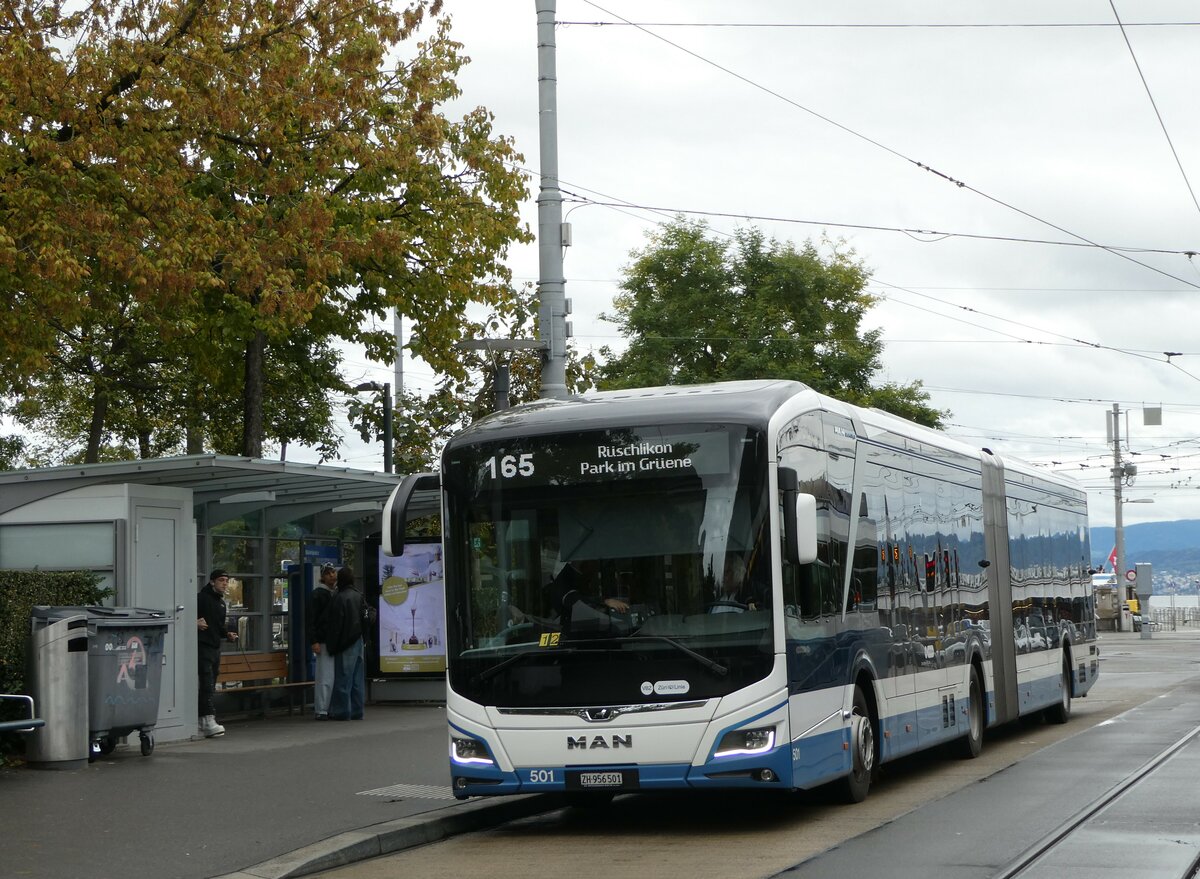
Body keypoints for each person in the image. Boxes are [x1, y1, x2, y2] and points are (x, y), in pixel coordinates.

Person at [197, 569, 238, 737]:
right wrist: (195, 623)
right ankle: (207, 719)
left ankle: (204, 719)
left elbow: (218, 625)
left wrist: (226, 634)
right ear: (212, 581)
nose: (225, 584)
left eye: (227, 581)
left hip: (214, 647)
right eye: (221, 580)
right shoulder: (201, 598)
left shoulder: (221, 603)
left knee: (211, 683)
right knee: (206, 683)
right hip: (203, 646)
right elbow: (187, 617)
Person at [324, 566, 366, 721]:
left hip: (345, 642)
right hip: (358, 640)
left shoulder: (339, 597)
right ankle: (357, 710)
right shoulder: (358, 595)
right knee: (356, 679)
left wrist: (332, 645)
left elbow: (336, 625)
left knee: (343, 677)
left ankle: (341, 711)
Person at [307, 563, 338, 720]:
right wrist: (314, 641)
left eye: (333, 572)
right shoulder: (319, 595)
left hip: (330, 640)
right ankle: (322, 709)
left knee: (328, 675)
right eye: (328, 573)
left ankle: (326, 708)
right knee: (325, 676)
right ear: (323, 576)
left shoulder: (328, 594)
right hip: (325, 640)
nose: (332, 575)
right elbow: (311, 619)